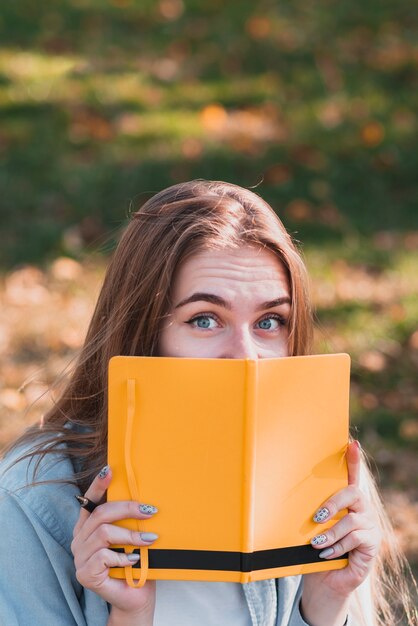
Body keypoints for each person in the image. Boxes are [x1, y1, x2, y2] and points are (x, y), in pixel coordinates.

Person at [0, 180, 416, 626]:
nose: (244, 354)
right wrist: (129, 615)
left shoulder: (324, 478)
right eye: (204, 319)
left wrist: (326, 607)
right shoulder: (34, 499)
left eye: (270, 321)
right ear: (142, 332)